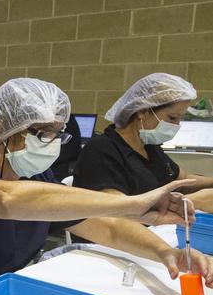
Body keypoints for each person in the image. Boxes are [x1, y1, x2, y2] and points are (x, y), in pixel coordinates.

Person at [0, 78, 213, 295]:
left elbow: (105, 226)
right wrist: (132, 203)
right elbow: (5, 199)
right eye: (42, 133)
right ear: (0, 130)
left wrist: (165, 253)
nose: (51, 142)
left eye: (57, 133)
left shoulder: (37, 176)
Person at [73, 73, 213, 211]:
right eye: (172, 118)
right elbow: (116, 208)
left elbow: (182, 179)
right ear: (142, 111)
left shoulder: (149, 146)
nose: (177, 125)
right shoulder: (101, 150)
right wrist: (191, 201)